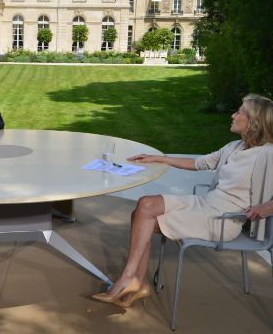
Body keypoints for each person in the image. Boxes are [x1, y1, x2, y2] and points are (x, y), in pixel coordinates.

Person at [92, 93, 273, 308]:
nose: (233, 115)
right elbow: (199, 163)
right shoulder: (234, 146)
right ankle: (135, 282)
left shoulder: (267, 154)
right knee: (145, 205)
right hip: (206, 204)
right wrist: (159, 158)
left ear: (253, 122)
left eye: (239, 112)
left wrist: (268, 206)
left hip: (224, 219)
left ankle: (129, 280)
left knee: (143, 221)